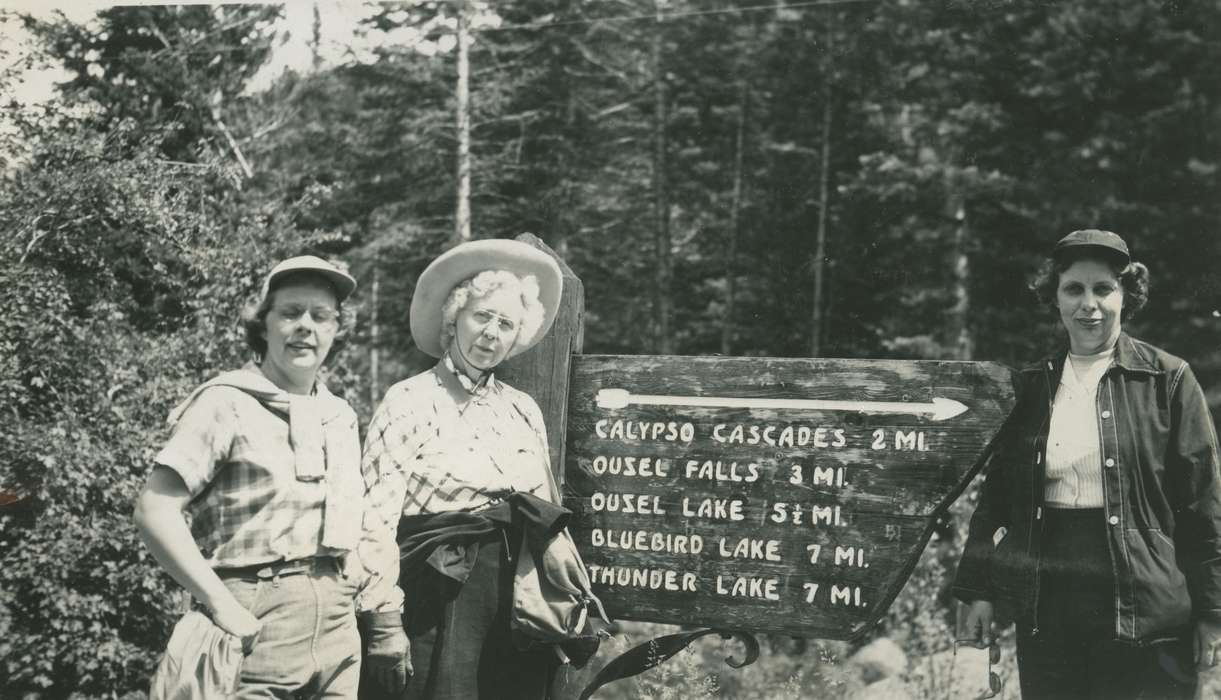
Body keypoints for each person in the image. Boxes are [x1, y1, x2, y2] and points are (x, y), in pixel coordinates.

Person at [953, 230, 1221, 698]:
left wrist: (1213, 613)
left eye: (1103, 289)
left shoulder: (1168, 379)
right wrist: (977, 590)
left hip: (1150, 613)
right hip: (1049, 612)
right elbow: (997, 502)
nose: (1089, 304)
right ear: (1054, 298)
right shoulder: (1030, 388)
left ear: (1126, 295)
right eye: (1074, 289)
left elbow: (1204, 505)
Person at [135, 255, 367, 698]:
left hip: (337, 622)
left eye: (321, 317)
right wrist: (223, 604)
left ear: (337, 329)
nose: (306, 327)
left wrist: (351, 571)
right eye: (290, 313)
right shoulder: (226, 402)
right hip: (254, 613)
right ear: (263, 325)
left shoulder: (339, 415)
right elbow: (154, 510)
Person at [357, 238, 567, 700]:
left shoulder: (523, 410)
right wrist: (383, 620)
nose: (491, 333)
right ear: (454, 320)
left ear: (517, 337)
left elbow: (544, 509)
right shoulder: (408, 400)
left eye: (506, 323)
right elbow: (373, 519)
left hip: (513, 604)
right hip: (434, 596)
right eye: (482, 316)